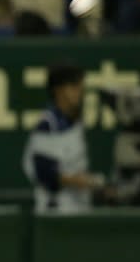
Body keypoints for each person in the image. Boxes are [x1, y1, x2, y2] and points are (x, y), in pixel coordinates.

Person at [22, 62, 108, 213]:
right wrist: (81, 181)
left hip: (78, 209)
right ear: (58, 90)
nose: (79, 92)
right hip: (55, 213)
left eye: (80, 86)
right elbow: (45, 174)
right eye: (73, 86)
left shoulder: (74, 120)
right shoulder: (48, 124)